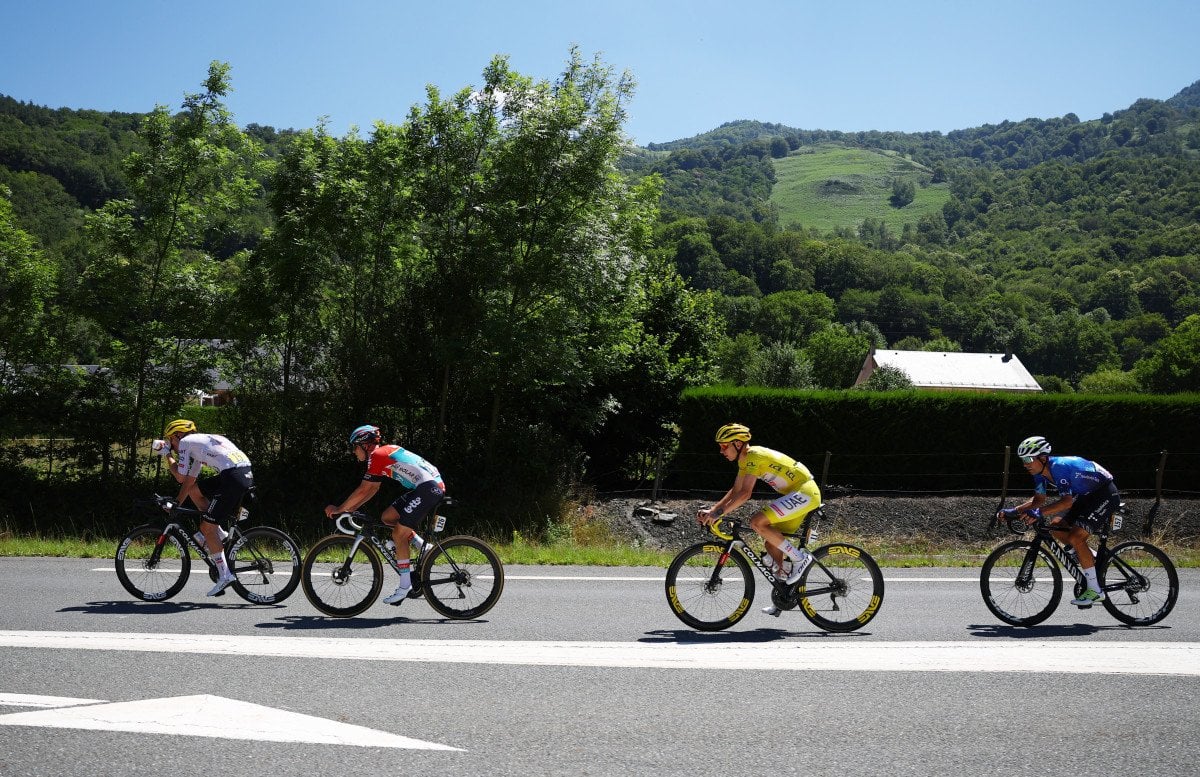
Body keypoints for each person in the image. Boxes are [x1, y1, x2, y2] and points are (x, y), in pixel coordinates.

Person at [697, 423, 821, 617]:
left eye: (724, 446)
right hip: (796, 494)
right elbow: (736, 490)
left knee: (757, 522)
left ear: (738, 444)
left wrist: (718, 514)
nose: (721, 451)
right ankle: (784, 596)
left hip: (805, 491)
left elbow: (746, 494)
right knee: (771, 544)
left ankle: (799, 558)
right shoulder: (744, 460)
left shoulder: (754, 455)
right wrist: (714, 509)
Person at [324, 424, 443, 606]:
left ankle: (405, 587)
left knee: (398, 535)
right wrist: (350, 508)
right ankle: (423, 547)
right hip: (426, 486)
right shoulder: (382, 454)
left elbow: (364, 489)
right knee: (388, 517)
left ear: (364, 444)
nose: (354, 452)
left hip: (428, 488)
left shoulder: (377, 456)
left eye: (355, 447)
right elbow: (372, 489)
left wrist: (340, 508)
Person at [999, 435, 1120, 606]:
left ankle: (1095, 590)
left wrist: (1038, 513)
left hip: (1105, 494)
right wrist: (1014, 511)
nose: (1025, 464)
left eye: (1028, 459)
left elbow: (1066, 502)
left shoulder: (1059, 467)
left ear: (1042, 457)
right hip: (1086, 495)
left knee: (1076, 537)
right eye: (1022, 459)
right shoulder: (1039, 472)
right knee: (1055, 526)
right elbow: (1038, 500)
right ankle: (1088, 556)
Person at [157, 419, 254, 596]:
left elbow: (179, 476)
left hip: (232, 477)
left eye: (171, 440)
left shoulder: (186, 443)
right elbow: (189, 482)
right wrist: (177, 503)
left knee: (206, 528)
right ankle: (220, 533)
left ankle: (225, 575)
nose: (172, 444)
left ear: (178, 435)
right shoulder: (201, 444)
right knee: (195, 490)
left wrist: (166, 454)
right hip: (242, 472)